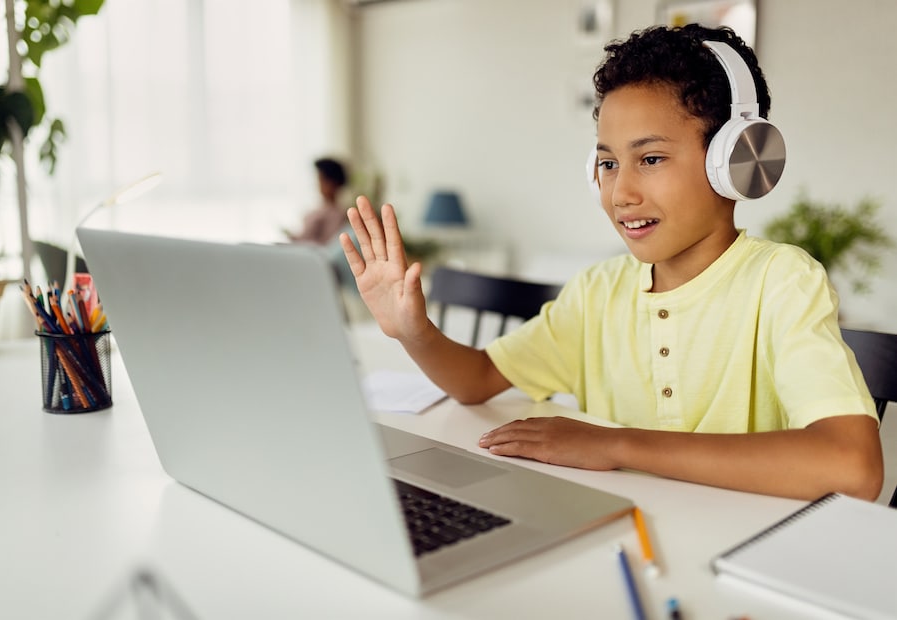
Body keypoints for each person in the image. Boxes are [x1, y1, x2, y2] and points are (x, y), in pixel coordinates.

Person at [338, 24, 883, 501]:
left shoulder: (781, 282)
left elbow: (852, 467)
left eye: (650, 159)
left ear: (735, 164)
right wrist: (414, 332)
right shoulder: (597, 293)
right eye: (606, 163)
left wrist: (616, 444)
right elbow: (477, 379)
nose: (620, 192)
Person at [289, 157, 350, 245]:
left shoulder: (337, 214)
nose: (318, 184)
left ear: (333, 183)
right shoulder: (322, 209)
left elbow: (326, 245)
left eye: (321, 180)